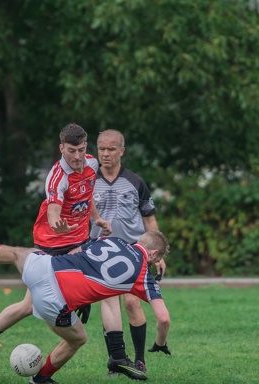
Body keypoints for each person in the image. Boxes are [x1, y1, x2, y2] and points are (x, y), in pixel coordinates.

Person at [0, 123, 112, 376]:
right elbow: (53, 209)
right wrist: (57, 225)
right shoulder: (57, 176)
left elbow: (87, 196)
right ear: (61, 147)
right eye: (71, 150)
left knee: (29, 304)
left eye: (81, 150)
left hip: (77, 243)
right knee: (28, 303)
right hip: (51, 243)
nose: (76, 156)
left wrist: (95, 218)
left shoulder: (92, 164)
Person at [0, 227, 171, 384]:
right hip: (54, 299)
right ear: (152, 254)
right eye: (155, 260)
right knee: (78, 339)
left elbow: (79, 252)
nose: (153, 265)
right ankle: (41, 378)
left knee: (17, 253)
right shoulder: (143, 275)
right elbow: (163, 318)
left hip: (46, 266)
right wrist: (160, 343)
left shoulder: (115, 240)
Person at [90, 129, 170, 375]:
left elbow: (150, 220)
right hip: (101, 254)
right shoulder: (88, 181)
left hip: (134, 254)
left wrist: (158, 254)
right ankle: (117, 359)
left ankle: (138, 359)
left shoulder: (136, 182)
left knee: (133, 303)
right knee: (109, 303)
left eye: (111, 149)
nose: (105, 153)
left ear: (121, 151)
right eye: (101, 148)